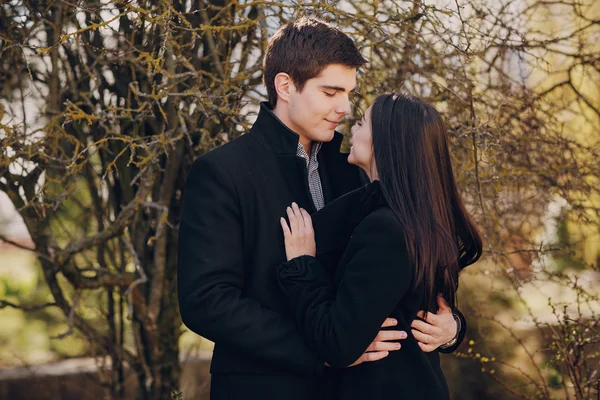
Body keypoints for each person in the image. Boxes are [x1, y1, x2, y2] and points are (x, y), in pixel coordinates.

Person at [177, 18, 465, 400]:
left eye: (348, 93)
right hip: (264, 388)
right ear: (285, 86)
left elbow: (402, 274)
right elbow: (206, 301)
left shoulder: (356, 173)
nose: (344, 107)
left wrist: (453, 327)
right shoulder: (223, 172)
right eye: (330, 92)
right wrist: (326, 352)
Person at [277, 93, 483, 399]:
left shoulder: (387, 229)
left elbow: (338, 343)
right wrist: (453, 327)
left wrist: (302, 265)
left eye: (362, 123)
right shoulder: (418, 219)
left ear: (385, 144)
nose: (352, 127)